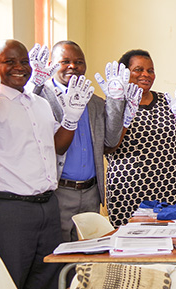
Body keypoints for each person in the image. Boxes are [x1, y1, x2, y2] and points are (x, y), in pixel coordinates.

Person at [0, 39, 93, 289]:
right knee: (10, 284)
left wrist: (71, 117)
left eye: (24, 62)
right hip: (11, 208)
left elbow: (58, 146)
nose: (19, 67)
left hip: (48, 205)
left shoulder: (38, 103)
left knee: (47, 281)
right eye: (10, 62)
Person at [32, 41, 131, 238]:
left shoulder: (93, 102)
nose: (73, 66)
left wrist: (115, 101)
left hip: (90, 191)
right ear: (52, 64)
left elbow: (111, 141)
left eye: (79, 62)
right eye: (65, 61)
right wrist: (35, 85)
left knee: (89, 252)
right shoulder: (41, 97)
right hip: (59, 191)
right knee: (59, 252)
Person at [104, 49, 176, 226]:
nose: (145, 75)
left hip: (170, 185)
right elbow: (109, 146)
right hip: (130, 189)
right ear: (125, 72)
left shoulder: (165, 100)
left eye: (150, 70)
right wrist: (126, 117)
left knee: (172, 241)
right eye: (138, 69)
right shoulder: (115, 103)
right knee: (132, 245)